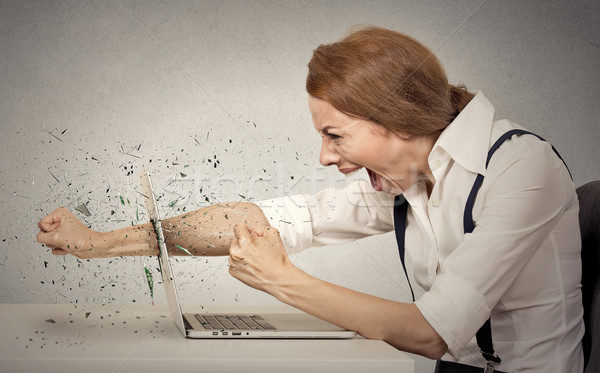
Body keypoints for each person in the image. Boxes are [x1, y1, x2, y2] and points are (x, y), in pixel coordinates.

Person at [36, 26, 584, 372]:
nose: (324, 157)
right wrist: (100, 243)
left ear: (396, 120)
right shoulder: (405, 177)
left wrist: (281, 279)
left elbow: (431, 333)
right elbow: (269, 218)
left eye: (335, 135)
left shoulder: (520, 169)